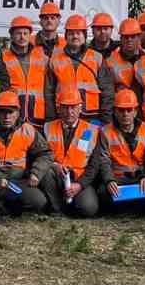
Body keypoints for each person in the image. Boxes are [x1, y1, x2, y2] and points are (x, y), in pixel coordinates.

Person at [0, 91, 50, 217]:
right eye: (3, 112)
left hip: (18, 181)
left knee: (39, 202)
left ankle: (2, 207)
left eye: (11, 112)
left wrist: (36, 173)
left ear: (18, 112)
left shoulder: (27, 129)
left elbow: (45, 153)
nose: (7, 116)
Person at [99, 89, 145, 215]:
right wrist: (109, 180)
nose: (125, 114)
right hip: (118, 178)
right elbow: (104, 161)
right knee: (103, 193)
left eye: (129, 110)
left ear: (135, 111)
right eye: (121, 110)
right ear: (115, 111)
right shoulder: (105, 132)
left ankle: (132, 209)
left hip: (141, 177)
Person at [43, 88, 105, 218]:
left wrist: (80, 185)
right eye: (65, 108)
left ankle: (71, 205)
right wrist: (54, 165)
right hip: (56, 176)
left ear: (80, 108)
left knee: (89, 209)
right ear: (59, 108)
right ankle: (57, 209)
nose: (69, 112)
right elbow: (40, 156)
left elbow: (94, 165)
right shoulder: (47, 128)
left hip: (79, 179)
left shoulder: (92, 131)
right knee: (46, 171)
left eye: (73, 107)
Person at [48, 14, 112, 125]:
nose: (75, 36)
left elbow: (107, 91)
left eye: (78, 33)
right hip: (65, 117)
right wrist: (51, 117)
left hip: (92, 118)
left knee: (86, 142)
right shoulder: (55, 60)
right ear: (66, 36)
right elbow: (49, 93)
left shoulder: (97, 58)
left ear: (85, 35)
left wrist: (105, 119)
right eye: (71, 33)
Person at [0, 15, 50, 127]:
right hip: (13, 114)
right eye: (18, 33)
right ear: (11, 35)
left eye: (25, 33)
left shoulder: (42, 57)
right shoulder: (3, 57)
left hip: (38, 114)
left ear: (30, 35)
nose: (22, 37)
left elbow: (49, 87)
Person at [106, 18, 145, 92]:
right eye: (126, 37)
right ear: (121, 38)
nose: (129, 40)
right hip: (122, 102)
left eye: (133, 37)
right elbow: (107, 90)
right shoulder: (110, 62)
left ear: (139, 37)